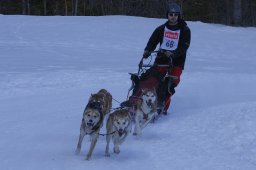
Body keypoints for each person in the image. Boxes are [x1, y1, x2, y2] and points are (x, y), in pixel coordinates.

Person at [121, 2, 191, 115]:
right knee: (149, 80)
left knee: (169, 84)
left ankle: (162, 107)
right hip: (160, 60)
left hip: (176, 63)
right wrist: (147, 50)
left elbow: (184, 46)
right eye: (171, 14)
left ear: (178, 16)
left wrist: (174, 53)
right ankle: (135, 101)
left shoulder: (185, 30)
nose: (173, 16)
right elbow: (152, 41)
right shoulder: (161, 29)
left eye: (175, 14)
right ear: (167, 15)